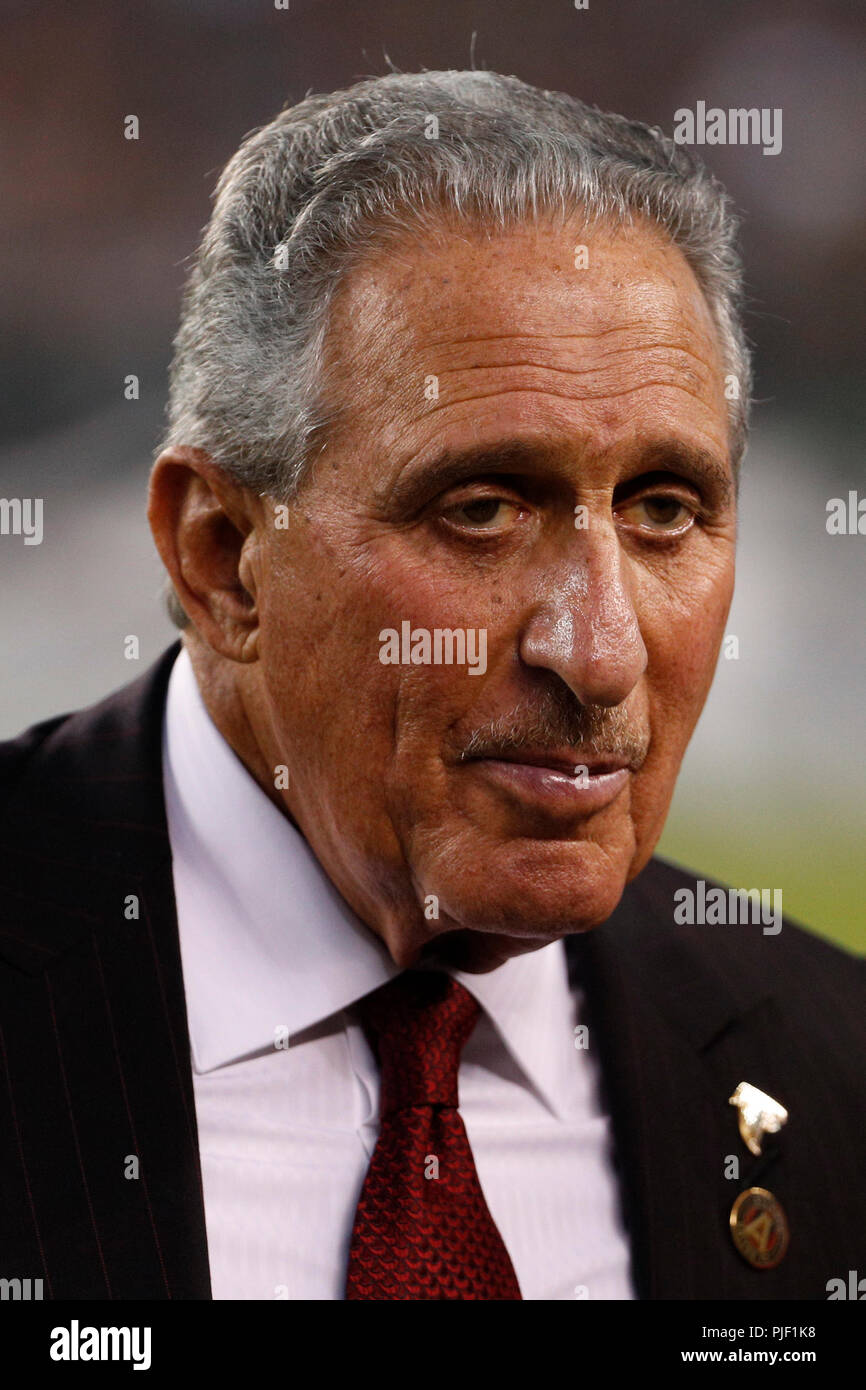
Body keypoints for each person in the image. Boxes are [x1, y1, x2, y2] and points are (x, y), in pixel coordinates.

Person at [1, 70, 863, 1301]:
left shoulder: (830, 1068)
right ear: (222, 558)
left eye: (663, 509)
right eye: (480, 510)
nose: (600, 649)